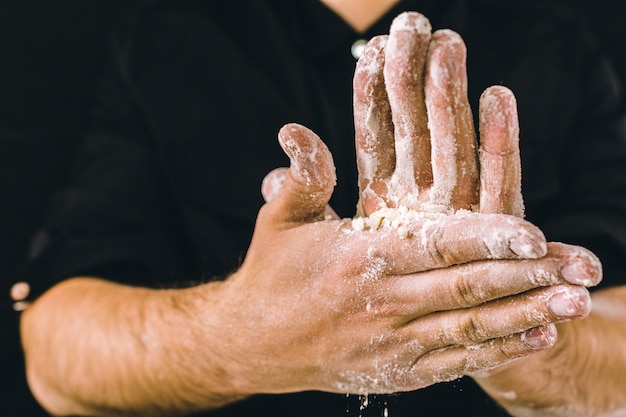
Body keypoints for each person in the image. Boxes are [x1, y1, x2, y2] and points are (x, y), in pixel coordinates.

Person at [8, 0, 626, 416]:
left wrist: (513, 332)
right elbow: (56, 346)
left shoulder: (555, 37)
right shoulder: (169, 39)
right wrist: (233, 339)